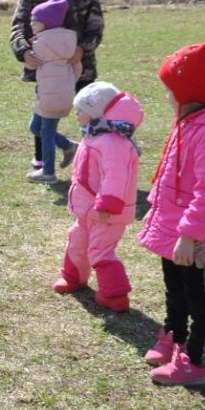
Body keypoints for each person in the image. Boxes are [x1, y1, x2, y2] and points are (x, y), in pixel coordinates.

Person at [138, 38, 205, 386]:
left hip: (194, 235)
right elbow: (173, 173)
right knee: (175, 288)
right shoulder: (189, 118)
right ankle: (175, 336)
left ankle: (195, 361)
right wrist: (157, 212)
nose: (168, 95)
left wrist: (189, 235)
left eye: (171, 88)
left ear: (189, 90)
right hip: (174, 227)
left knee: (200, 297)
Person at [10, 0, 104, 172]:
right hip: (45, 63)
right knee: (44, 111)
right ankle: (43, 159)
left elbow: (96, 25)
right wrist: (24, 52)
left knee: (89, 112)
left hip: (80, 65)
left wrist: (82, 50)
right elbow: (19, 24)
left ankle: (93, 161)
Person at [52, 82, 142, 312]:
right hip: (86, 209)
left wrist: (108, 203)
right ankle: (74, 277)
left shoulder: (113, 142)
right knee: (76, 242)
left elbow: (116, 175)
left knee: (100, 251)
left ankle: (115, 296)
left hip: (106, 213)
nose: (76, 114)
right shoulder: (94, 136)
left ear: (95, 113)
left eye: (80, 110)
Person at [25, 0, 80, 184]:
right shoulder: (68, 39)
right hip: (59, 93)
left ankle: (48, 172)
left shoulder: (42, 43)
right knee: (35, 126)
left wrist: (29, 53)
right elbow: (77, 67)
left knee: (46, 132)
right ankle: (68, 146)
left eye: (35, 21)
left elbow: (31, 66)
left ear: (46, 23)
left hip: (50, 96)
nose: (31, 24)